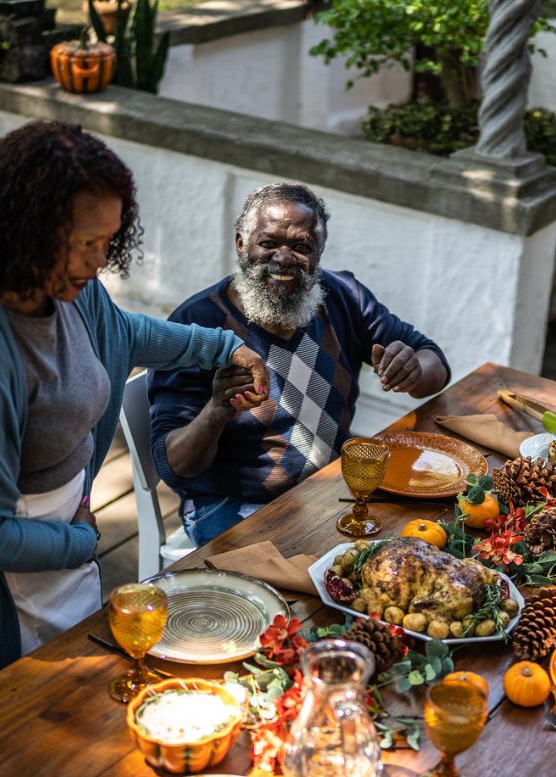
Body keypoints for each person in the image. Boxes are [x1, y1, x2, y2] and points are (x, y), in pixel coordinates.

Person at [0, 121, 268, 703]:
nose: (100, 261)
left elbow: (119, 334)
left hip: (65, 538)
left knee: (84, 703)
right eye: (85, 243)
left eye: (107, 241)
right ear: (26, 229)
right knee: (22, 740)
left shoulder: (55, 278)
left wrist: (220, 347)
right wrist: (80, 544)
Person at [148, 181, 450, 547]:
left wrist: (414, 370)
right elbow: (175, 468)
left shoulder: (342, 296)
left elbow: (434, 362)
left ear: (319, 253)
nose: (285, 257)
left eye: (301, 246)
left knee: (427, 540)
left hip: (330, 484)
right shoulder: (197, 326)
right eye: (269, 243)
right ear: (241, 245)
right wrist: (216, 411)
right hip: (233, 504)